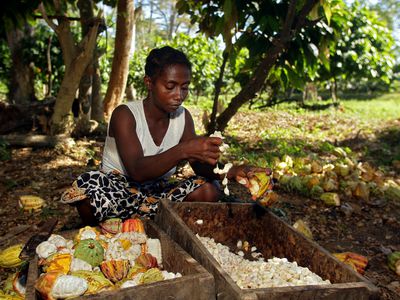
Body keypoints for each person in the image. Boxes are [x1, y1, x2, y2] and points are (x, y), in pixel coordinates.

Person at [61, 46, 271, 225]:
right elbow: (137, 171)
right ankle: (157, 218)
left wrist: (233, 171)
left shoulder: (183, 118)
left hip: (155, 193)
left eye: (185, 87)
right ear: (149, 83)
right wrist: (184, 149)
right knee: (88, 198)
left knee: (208, 190)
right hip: (117, 189)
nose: (179, 95)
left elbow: (200, 166)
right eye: (170, 86)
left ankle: (145, 219)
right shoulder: (125, 115)